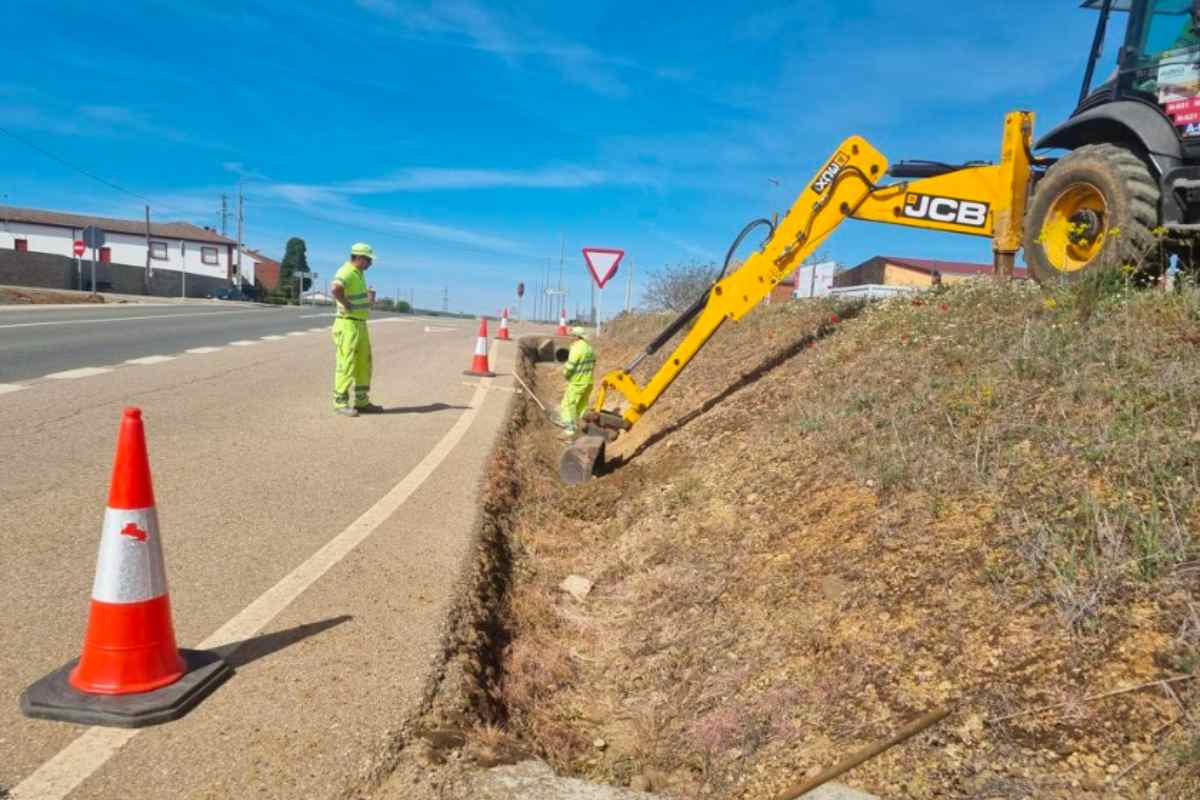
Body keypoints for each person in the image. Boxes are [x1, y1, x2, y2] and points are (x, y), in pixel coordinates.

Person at [330, 243, 382, 417]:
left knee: (363, 364)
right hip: (347, 324)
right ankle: (340, 403)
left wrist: (368, 299)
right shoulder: (346, 271)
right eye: (368, 260)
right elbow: (335, 288)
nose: (370, 264)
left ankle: (361, 401)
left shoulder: (358, 274)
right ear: (359, 258)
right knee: (346, 364)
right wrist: (346, 304)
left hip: (359, 323)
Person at [558, 326, 595, 438]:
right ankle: (578, 426)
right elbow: (593, 363)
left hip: (577, 382)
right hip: (589, 382)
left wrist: (565, 374)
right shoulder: (589, 348)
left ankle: (569, 431)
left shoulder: (576, 348)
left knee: (567, 405)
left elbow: (570, 366)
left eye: (572, 335)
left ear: (576, 336)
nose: (570, 337)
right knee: (580, 406)